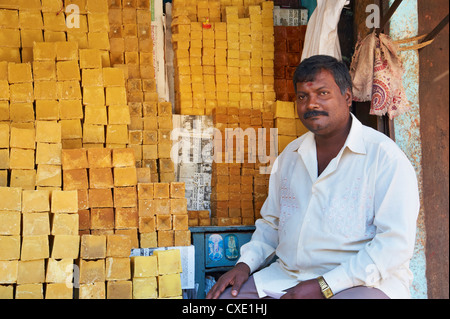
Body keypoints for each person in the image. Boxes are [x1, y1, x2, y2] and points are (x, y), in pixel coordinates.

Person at [206, 55, 420, 299]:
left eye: (323, 93)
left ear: (347, 97)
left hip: (359, 283)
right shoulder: (290, 156)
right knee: (224, 300)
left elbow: (394, 245)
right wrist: (244, 265)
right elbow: (272, 223)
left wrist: (324, 285)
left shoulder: (384, 158)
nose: (311, 104)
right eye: (302, 97)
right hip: (286, 278)